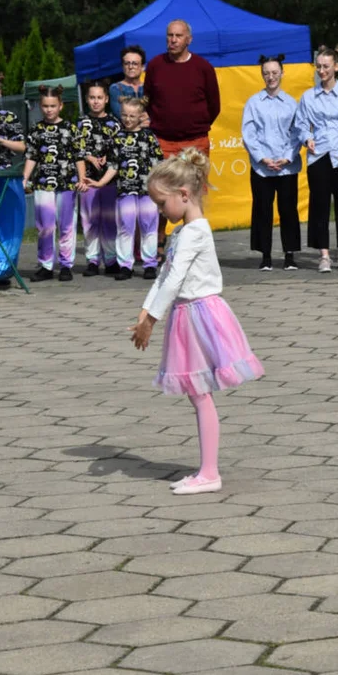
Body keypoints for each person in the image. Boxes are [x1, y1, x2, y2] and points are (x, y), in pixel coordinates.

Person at [131, 148, 265, 496]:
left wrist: (153, 319)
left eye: (162, 203)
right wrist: (146, 312)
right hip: (185, 316)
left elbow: (174, 280)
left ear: (184, 195)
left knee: (200, 393)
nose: (160, 211)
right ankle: (207, 470)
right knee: (197, 393)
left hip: (201, 316)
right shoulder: (181, 233)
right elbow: (164, 277)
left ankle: (209, 472)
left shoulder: (196, 232)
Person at [144, 21, 221, 255]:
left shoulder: (203, 67)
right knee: (162, 193)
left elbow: (214, 105)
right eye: (169, 35)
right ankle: (158, 246)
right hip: (163, 140)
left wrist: (195, 124)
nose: (173, 40)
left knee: (193, 194)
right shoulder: (156, 65)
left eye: (178, 36)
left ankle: (196, 245)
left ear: (189, 39)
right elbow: (148, 100)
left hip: (195, 141)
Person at [295, 46, 338, 273]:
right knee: (320, 205)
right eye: (319, 66)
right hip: (319, 156)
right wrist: (307, 138)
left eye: (326, 66)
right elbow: (301, 124)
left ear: (336, 67)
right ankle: (324, 255)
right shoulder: (308, 96)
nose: (322, 71)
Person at [89, 97, 165, 280]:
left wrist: (161, 188)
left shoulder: (149, 137)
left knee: (149, 226)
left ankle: (149, 264)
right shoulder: (117, 139)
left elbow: (158, 165)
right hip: (125, 191)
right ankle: (125, 265)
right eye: (124, 115)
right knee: (125, 226)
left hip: (147, 191)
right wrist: (100, 183)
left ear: (141, 116)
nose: (128, 119)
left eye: (132, 116)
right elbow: (113, 166)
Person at [242, 54, 302, 272]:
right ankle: (265, 256)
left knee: (288, 210)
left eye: (275, 72)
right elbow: (248, 134)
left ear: (282, 73)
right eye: (266, 73)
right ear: (262, 75)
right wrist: (262, 158)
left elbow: (297, 132)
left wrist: (288, 156)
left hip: (287, 166)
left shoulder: (291, 103)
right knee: (262, 211)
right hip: (262, 167)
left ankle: (290, 255)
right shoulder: (254, 102)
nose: (271, 77)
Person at [23, 86, 87, 282]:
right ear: (40, 107)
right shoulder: (36, 130)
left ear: (60, 106)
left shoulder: (71, 129)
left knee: (66, 224)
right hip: (43, 183)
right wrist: (25, 177)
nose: (49, 110)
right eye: (45, 106)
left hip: (67, 183)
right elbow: (32, 156)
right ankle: (46, 265)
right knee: (45, 225)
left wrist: (82, 178)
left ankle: (66, 265)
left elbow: (79, 156)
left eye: (53, 106)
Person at [77, 80, 123, 276]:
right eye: (92, 98)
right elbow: (75, 148)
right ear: (87, 100)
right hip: (88, 180)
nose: (96, 102)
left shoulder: (115, 123)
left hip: (110, 181)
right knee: (89, 221)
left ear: (106, 99)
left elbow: (120, 149)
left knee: (110, 221)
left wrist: (108, 156)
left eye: (99, 98)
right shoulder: (81, 123)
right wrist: (88, 157)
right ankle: (92, 260)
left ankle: (111, 259)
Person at [110, 46, 147, 124]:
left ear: (143, 67)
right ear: (123, 66)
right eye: (127, 63)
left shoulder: (149, 88)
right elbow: (121, 115)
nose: (131, 67)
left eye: (135, 63)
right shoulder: (115, 88)